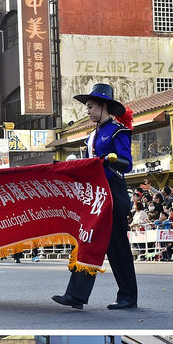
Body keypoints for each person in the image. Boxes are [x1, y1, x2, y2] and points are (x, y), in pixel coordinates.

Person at [53, 83, 138, 310]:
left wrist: (109, 159)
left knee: (117, 246)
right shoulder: (92, 135)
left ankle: (128, 296)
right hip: (95, 195)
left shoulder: (119, 131)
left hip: (112, 193)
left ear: (103, 105)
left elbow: (126, 164)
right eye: (87, 107)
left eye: (91, 107)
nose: (88, 111)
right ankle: (76, 296)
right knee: (87, 240)